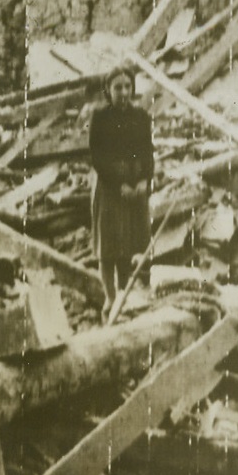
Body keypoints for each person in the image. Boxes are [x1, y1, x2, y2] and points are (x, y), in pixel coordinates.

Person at [88, 65, 154, 310]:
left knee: (130, 243)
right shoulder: (100, 119)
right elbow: (98, 158)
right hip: (110, 186)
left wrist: (145, 180)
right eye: (118, 88)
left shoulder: (141, 117)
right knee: (109, 247)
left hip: (136, 185)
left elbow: (148, 153)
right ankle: (110, 297)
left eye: (127, 87)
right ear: (108, 90)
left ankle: (125, 294)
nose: (124, 92)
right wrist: (120, 185)